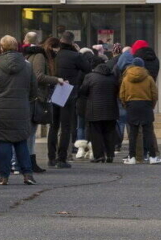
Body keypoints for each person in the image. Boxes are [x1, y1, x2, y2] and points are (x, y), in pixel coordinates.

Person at [0, 36, 38, 186]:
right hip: (21, 108)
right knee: (21, 142)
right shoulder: (27, 66)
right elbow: (34, 91)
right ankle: (27, 174)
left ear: (1, 48)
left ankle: (4, 176)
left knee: (3, 142)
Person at [51, 31, 91, 168]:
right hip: (68, 91)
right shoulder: (75, 56)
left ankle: (51, 157)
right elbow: (87, 68)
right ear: (72, 42)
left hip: (53, 89)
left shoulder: (55, 54)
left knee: (54, 125)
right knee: (66, 126)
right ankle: (62, 158)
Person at [23, 37, 62, 174]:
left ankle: (28, 161)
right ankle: (29, 162)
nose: (58, 52)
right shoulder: (40, 56)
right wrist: (57, 80)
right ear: (52, 47)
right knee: (31, 133)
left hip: (31, 96)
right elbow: (39, 76)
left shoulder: (33, 54)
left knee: (30, 132)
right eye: (57, 49)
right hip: (36, 97)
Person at [120, 57, 161, 165]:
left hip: (131, 105)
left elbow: (122, 94)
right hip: (146, 105)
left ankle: (132, 157)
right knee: (148, 132)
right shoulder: (148, 78)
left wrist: (126, 105)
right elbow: (154, 94)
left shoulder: (126, 78)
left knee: (133, 134)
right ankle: (152, 157)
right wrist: (151, 105)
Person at [79, 62, 119, 162]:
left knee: (96, 134)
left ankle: (99, 156)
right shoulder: (113, 77)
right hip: (111, 109)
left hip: (94, 110)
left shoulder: (89, 76)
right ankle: (110, 155)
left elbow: (83, 91)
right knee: (110, 133)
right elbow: (117, 91)